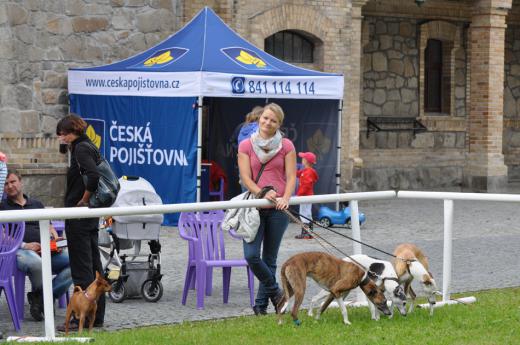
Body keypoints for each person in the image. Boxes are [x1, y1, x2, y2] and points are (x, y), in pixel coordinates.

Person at [237, 103, 296, 315]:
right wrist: (262, 192)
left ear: (279, 124)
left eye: (273, 120)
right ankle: (278, 294)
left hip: (279, 209)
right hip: (254, 207)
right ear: (260, 118)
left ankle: (260, 307)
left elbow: (291, 177)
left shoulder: (287, 145)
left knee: (270, 259)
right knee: (252, 255)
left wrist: (286, 198)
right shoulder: (245, 145)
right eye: (265, 118)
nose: (267, 123)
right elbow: (245, 178)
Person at [55, 114, 106, 330]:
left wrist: (83, 200)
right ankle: (96, 317)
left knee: (83, 268)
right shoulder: (88, 145)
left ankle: (81, 318)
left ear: (72, 131)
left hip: (80, 217)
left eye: (63, 134)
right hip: (89, 216)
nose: (60, 138)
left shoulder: (82, 148)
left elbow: (93, 176)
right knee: (94, 267)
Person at [0, 170, 72, 321]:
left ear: (21, 182)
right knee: (36, 262)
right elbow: (2, 235)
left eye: (13, 182)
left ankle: (42, 298)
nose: (10, 186)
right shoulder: (3, 207)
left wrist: (54, 237)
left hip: (47, 249)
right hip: (19, 252)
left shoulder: (36, 204)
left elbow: (49, 225)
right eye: (6, 184)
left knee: (76, 262)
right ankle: (43, 297)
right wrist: (25, 245)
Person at [294, 152, 319, 239]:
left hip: (305, 196)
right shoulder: (306, 170)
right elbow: (298, 174)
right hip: (306, 196)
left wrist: (300, 195)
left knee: (303, 214)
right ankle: (309, 232)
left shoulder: (308, 172)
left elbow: (306, 185)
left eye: (303, 158)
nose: (302, 160)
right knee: (307, 213)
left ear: (306, 161)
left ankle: (306, 233)